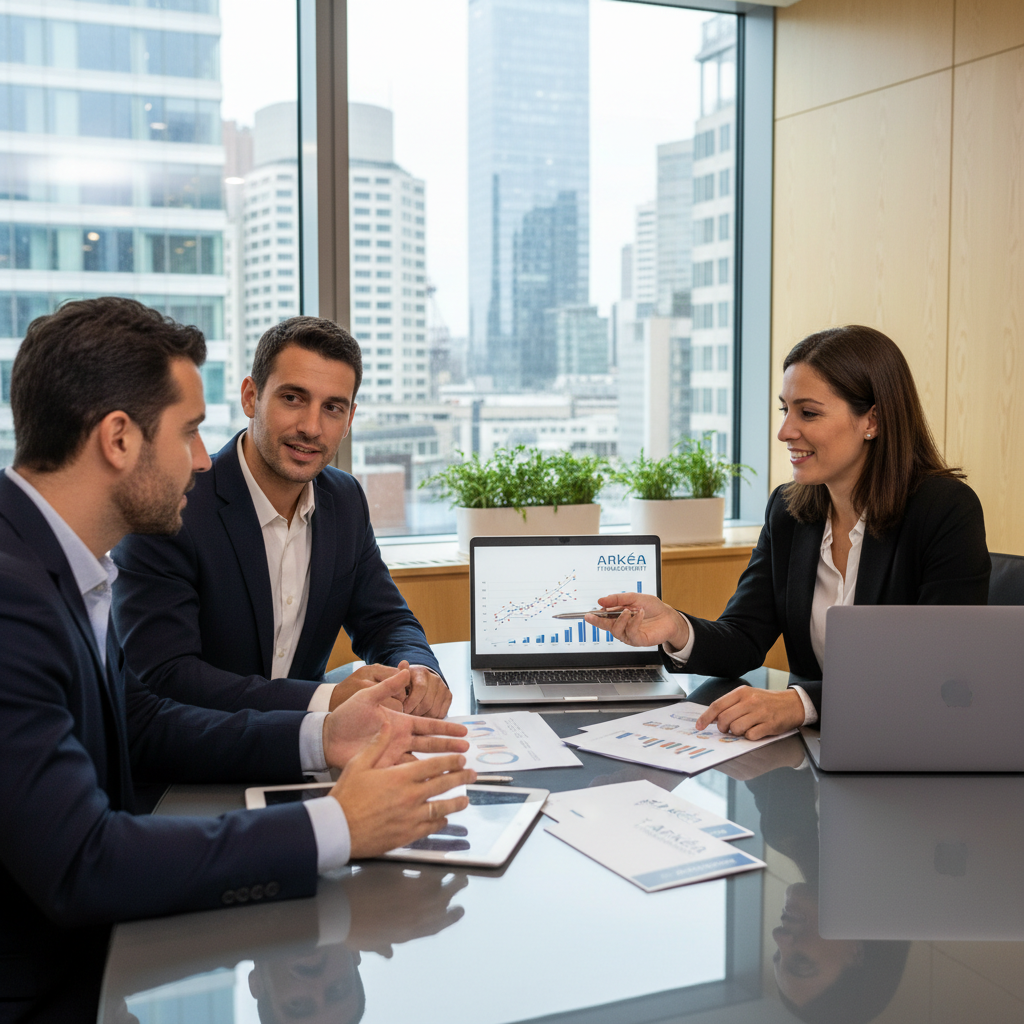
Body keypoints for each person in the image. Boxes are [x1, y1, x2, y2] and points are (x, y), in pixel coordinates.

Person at [0, 298, 474, 1021]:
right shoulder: (15, 596)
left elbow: (144, 720)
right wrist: (335, 825)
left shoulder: (60, 568)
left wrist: (327, 731)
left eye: (335, 407)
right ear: (119, 439)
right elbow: (83, 860)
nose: (199, 458)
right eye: (189, 431)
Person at [587, 325, 990, 739]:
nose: (785, 432)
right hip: (815, 753)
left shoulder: (944, 509)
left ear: (873, 420)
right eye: (786, 410)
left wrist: (802, 702)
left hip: (912, 749)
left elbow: (941, 672)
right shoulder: (789, 510)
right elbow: (744, 637)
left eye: (808, 413)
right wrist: (675, 628)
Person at [112, 316, 451, 720]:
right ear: (251, 397)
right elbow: (167, 677)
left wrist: (418, 670)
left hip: (309, 758)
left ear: (350, 420)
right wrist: (327, 701)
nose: (311, 427)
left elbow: (385, 621)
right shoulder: (173, 505)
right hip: (194, 762)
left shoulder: (344, 500)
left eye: (332, 408)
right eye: (293, 398)